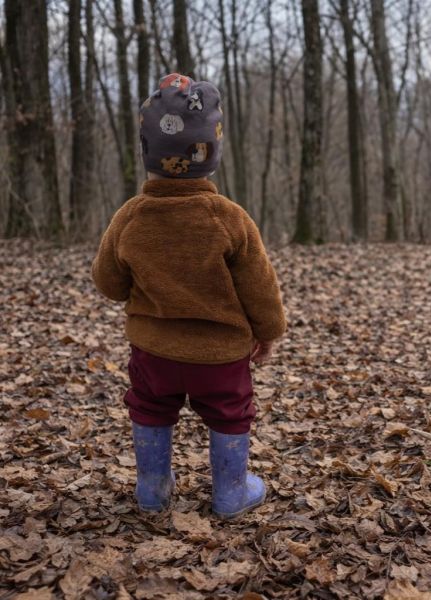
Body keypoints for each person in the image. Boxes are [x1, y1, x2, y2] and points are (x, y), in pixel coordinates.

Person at [91, 73, 286, 519]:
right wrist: (269, 333)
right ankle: (231, 492)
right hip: (220, 356)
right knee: (230, 414)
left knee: (150, 409)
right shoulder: (229, 218)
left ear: (147, 153)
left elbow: (108, 282)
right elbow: (260, 287)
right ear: (212, 153)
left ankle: (153, 489)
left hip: (154, 352)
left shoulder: (131, 217)